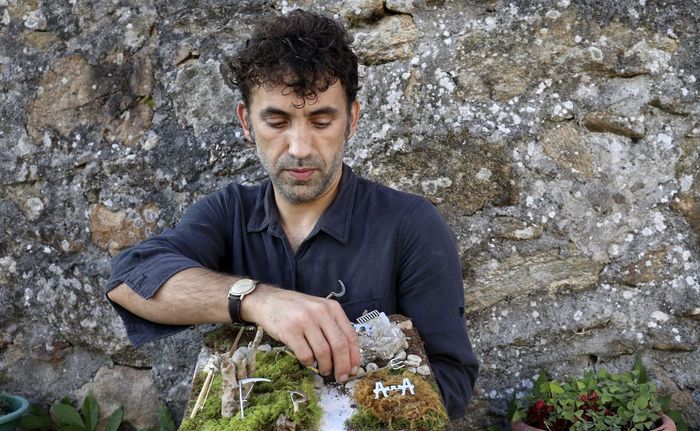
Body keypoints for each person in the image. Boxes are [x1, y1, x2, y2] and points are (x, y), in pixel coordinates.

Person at [105, 9, 478, 419]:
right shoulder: (228, 213)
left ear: (351, 120)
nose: (299, 148)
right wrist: (258, 300)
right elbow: (129, 281)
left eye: (321, 121)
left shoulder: (411, 225)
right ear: (247, 122)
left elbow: (452, 381)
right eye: (277, 122)